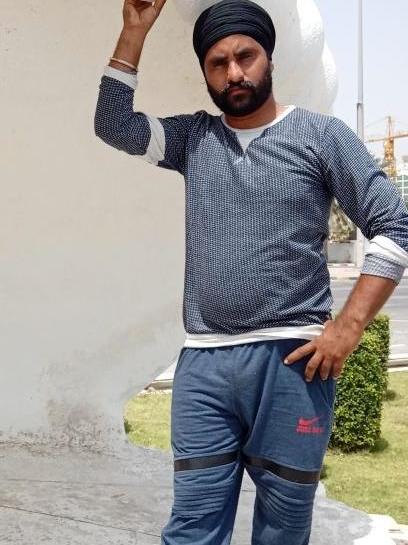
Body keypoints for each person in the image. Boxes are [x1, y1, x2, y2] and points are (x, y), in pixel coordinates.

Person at [94, 0, 408, 543]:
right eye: (218, 63)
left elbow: (394, 225)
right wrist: (133, 33)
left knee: (283, 529)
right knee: (192, 528)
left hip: (294, 365)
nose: (234, 72)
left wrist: (349, 327)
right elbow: (113, 124)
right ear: (205, 74)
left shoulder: (321, 137)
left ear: (270, 59)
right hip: (205, 366)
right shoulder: (194, 140)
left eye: (246, 56)